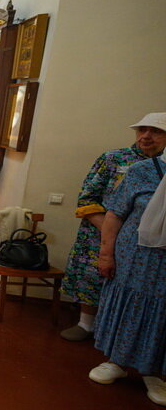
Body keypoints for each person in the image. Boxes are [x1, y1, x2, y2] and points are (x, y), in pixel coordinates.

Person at [60, 114, 166, 341]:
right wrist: (112, 230)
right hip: (99, 232)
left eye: (155, 131)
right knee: (92, 276)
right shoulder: (114, 159)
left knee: (131, 286)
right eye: (142, 130)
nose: (146, 136)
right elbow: (87, 198)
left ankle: (118, 334)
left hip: (147, 242)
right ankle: (85, 324)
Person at [88, 137, 166, 406]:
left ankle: (154, 372)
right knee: (131, 307)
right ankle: (116, 361)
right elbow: (114, 215)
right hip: (137, 258)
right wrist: (106, 254)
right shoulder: (141, 171)